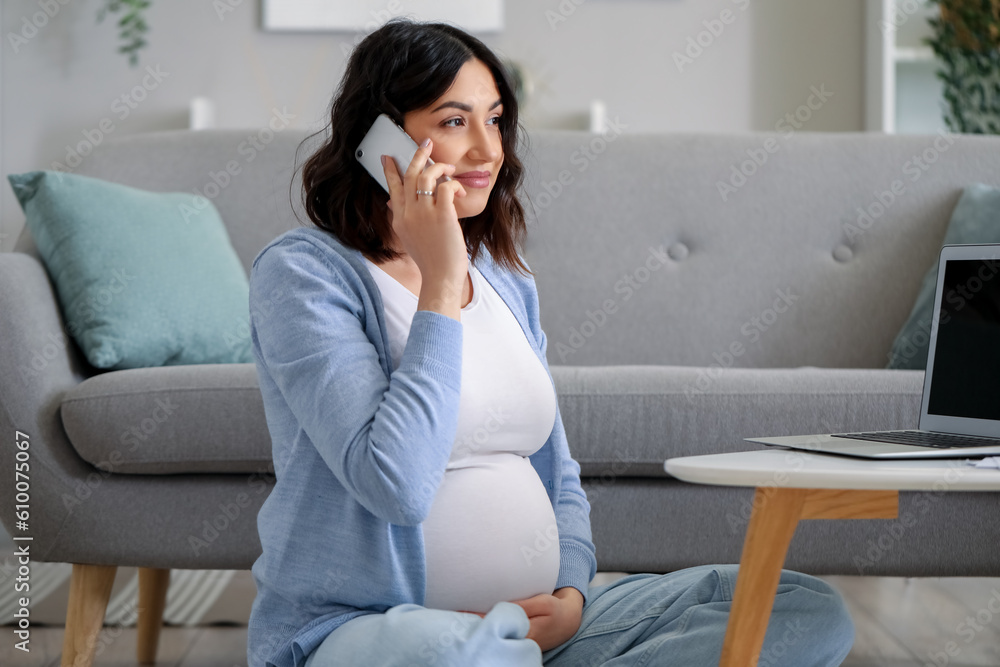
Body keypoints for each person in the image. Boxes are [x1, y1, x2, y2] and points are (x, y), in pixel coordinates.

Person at [245, 17, 855, 667]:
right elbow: (394, 481)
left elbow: (558, 472)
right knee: (460, 656)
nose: (488, 149)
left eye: (496, 119)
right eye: (455, 121)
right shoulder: (303, 273)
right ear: (382, 141)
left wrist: (572, 593)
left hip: (543, 634)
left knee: (801, 608)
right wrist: (442, 284)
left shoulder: (507, 279)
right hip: (375, 628)